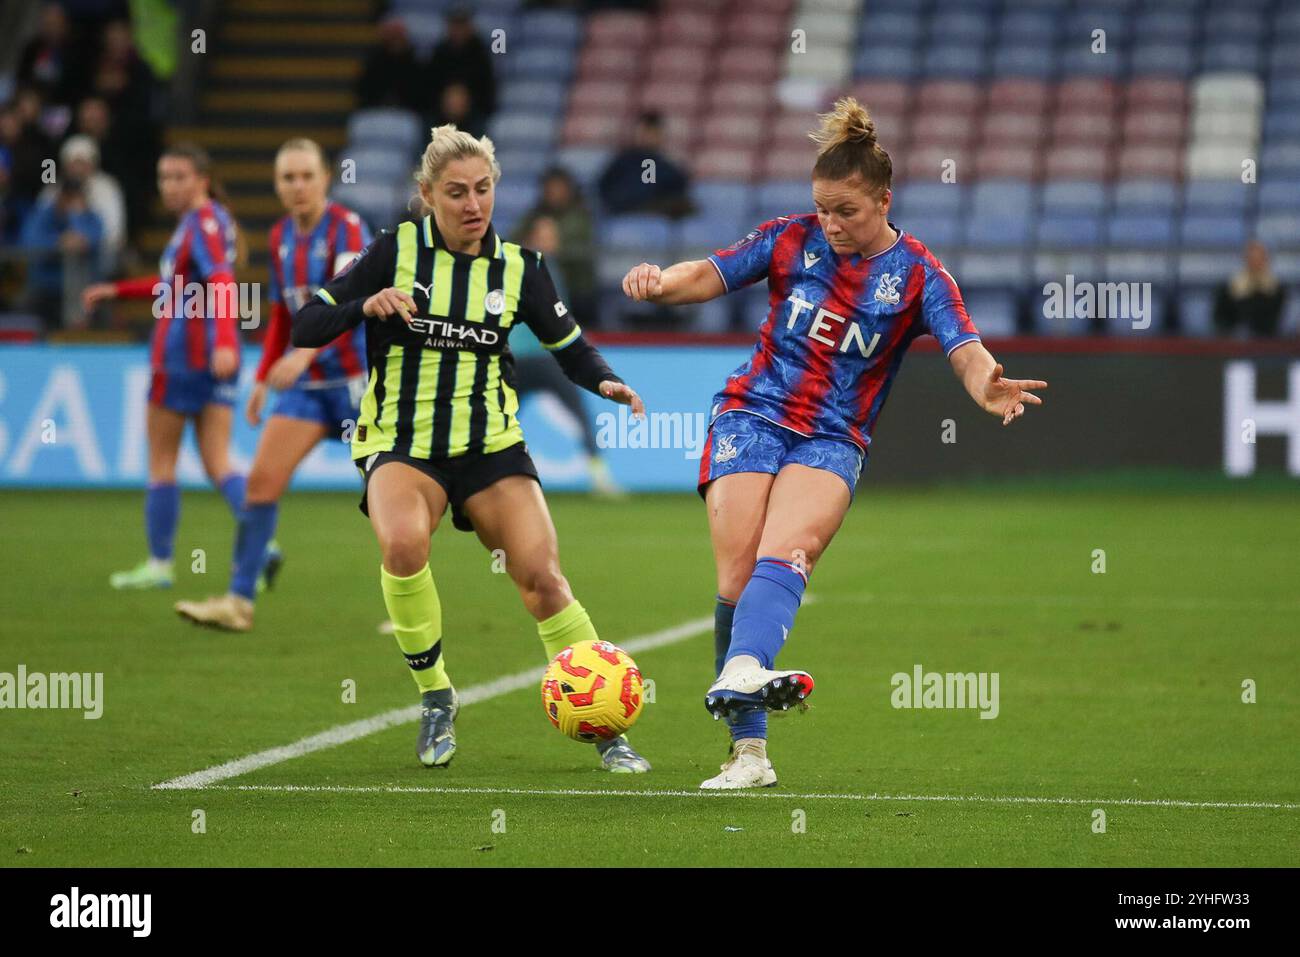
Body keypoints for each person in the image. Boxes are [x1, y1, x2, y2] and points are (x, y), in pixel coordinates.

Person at [621, 98, 1048, 789]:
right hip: (750, 414)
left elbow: (963, 344)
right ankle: (749, 753)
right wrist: (658, 281)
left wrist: (985, 384)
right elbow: (711, 271)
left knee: (789, 551)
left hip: (832, 435)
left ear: (884, 199)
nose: (830, 223)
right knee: (734, 579)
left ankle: (741, 681)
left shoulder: (918, 274)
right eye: (822, 208)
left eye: (845, 211)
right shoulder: (792, 239)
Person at [292, 124, 650, 773]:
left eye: (483, 189)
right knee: (403, 543)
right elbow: (305, 322)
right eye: (455, 192)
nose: (472, 204)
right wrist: (364, 305)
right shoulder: (392, 250)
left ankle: (607, 728)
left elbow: (569, 348)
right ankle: (436, 696)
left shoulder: (521, 268)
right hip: (403, 443)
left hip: (490, 447)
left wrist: (606, 380)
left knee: (543, 578)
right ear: (427, 194)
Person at [175, 139, 371, 632]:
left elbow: (351, 303)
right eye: (288, 178)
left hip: (360, 383)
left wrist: (302, 356)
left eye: (307, 175)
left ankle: (410, 609)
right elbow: (285, 313)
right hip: (306, 390)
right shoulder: (282, 235)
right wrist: (263, 378)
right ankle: (239, 602)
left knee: (388, 498)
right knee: (261, 484)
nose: (298, 186)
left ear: (326, 177)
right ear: (277, 185)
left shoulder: (347, 228)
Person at [82, 144, 247, 590]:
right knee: (217, 462)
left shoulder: (203, 222)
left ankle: (159, 563)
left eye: (178, 176)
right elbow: (177, 285)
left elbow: (221, 281)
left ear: (202, 179)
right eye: (163, 177)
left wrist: (227, 340)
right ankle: (261, 545)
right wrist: (120, 290)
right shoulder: (204, 224)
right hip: (207, 358)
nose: (169, 186)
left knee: (161, 462)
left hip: (180, 358)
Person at [514, 214, 623, 496]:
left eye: (554, 234)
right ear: (532, 236)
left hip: (541, 359)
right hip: (527, 358)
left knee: (577, 413)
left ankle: (599, 475)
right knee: (500, 420)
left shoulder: (546, 268)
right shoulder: (526, 267)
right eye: (546, 233)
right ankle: (599, 475)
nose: (552, 239)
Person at [514, 166, 596, 327]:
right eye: (551, 188)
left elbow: (582, 251)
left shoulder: (580, 217)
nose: (554, 193)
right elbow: (512, 242)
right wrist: (531, 247)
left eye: (558, 188)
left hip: (574, 286)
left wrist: (555, 250)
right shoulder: (533, 216)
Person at [20, 175, 103, 328]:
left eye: (77, 198)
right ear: (61, 196)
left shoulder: (90, 217)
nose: (72, 203)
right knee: (27, 307)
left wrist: (76, 217)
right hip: (47, 287)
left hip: (83, 290)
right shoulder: (43, 214)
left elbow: (92, 239)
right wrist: (58, 241)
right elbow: (29, 241)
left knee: (99, 309)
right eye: (69, 198)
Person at [40, 134, 125, 276]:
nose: (78, 169)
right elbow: (37, 230)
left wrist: (84, 240)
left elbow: (113, 232)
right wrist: (58, 241)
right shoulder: (53, 188)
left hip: (96, 264)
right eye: (73, 163)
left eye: (83, 163)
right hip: (54, 266)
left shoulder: (107, 186)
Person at [597, 110, 692, 218]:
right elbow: (604, 187)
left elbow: (678, 189)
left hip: (655, 216)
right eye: (646, 132)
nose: (649, 137)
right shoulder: (623, 161)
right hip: (625, 212)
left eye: (654, 133)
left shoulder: (666, 166)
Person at [1213, 240, 1286, 338]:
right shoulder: (1229, 287)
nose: (1255, 264)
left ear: (1266, 260)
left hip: (1267, 343)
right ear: (1245, 260)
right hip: (1235, 344)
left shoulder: (1277, 289)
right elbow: (1220, 320)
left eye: (1259, 259)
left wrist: (1253, 291)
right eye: (1251, 259)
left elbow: (1271, 323)